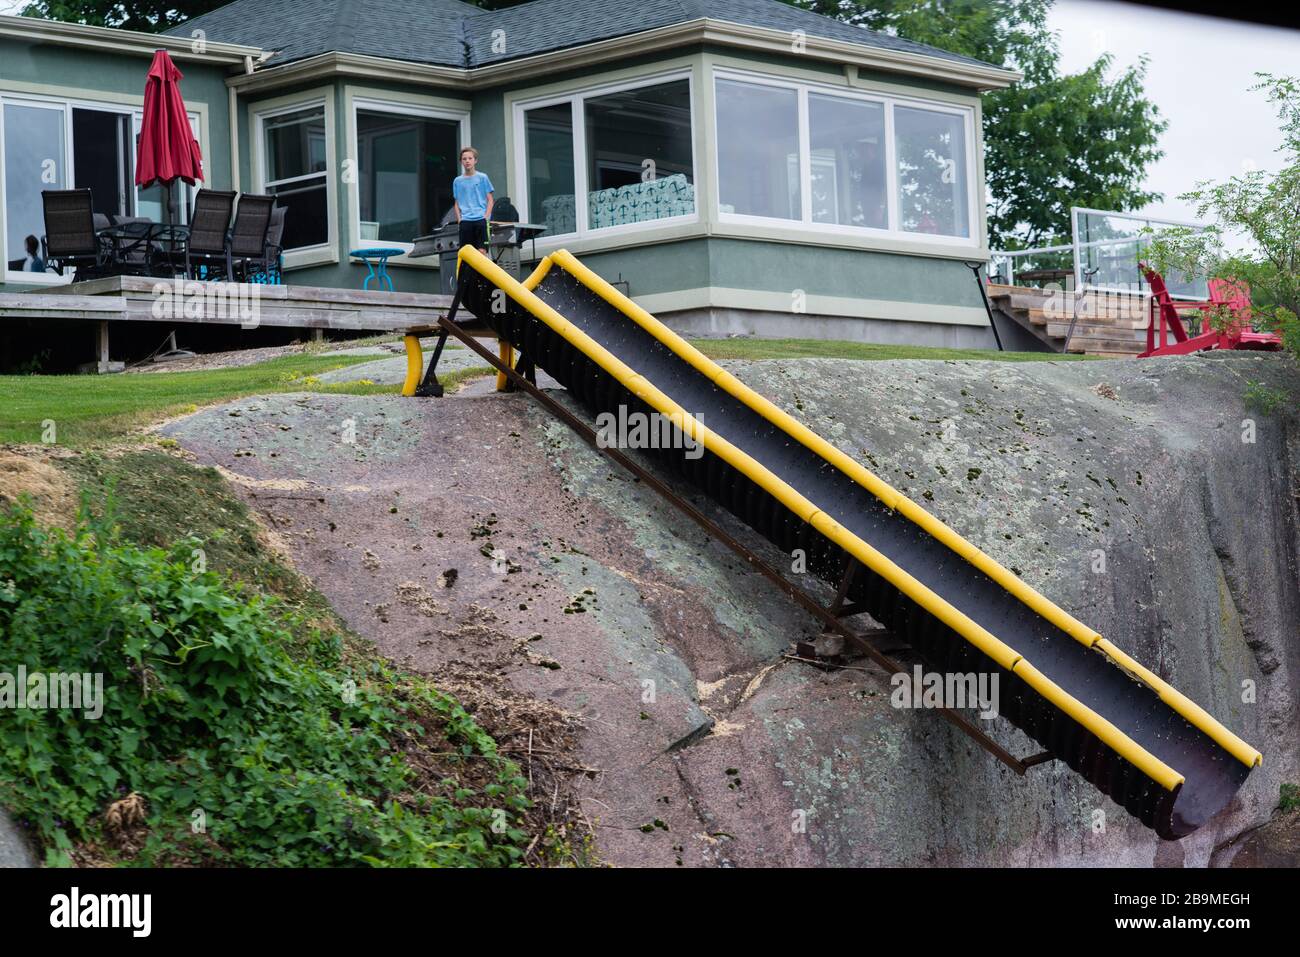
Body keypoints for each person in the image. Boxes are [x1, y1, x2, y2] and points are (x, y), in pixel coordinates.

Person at [452, 146, 494, 253]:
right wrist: (459, 220)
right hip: (465, 221)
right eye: (464, 159)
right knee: (467, 254)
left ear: (475, 160)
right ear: (461, 161)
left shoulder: (483, 177)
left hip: (480, 220)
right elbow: (456, 203)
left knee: (482, 252)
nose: (467, 161)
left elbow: (490, 199)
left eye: (470, 158)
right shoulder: (457, 181)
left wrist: (486, 217)